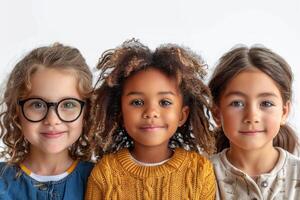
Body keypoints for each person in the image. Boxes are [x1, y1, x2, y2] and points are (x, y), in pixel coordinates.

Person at [85, 39, 216, 199]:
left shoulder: (199, 172)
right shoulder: (105, 173)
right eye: (137, 102)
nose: (151, 112)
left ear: (182, 115)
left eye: (165, 102)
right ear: (120, 114)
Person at [0, 43, 94, 200]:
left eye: (68, 104)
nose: (52, 120)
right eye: (37, 105)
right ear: (17, 111)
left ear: (86, 112)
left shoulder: (101, 180)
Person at [209, 45, 300, 199]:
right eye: (237, 103)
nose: (252, 116)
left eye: (266, 104)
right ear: (217, 113)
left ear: (284, 112)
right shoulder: (198, 177)